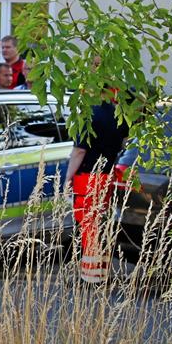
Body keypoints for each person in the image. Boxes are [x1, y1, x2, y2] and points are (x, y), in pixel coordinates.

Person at [65, 92, 129, 283]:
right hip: (108, 176)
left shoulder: (87, 114)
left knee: (88, 227)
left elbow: (79, 150)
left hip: (88, 177)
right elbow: (125, 143)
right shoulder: (119, 113)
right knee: (102, 224)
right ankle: (101, 272)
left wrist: (68, 177)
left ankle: (91, 278)